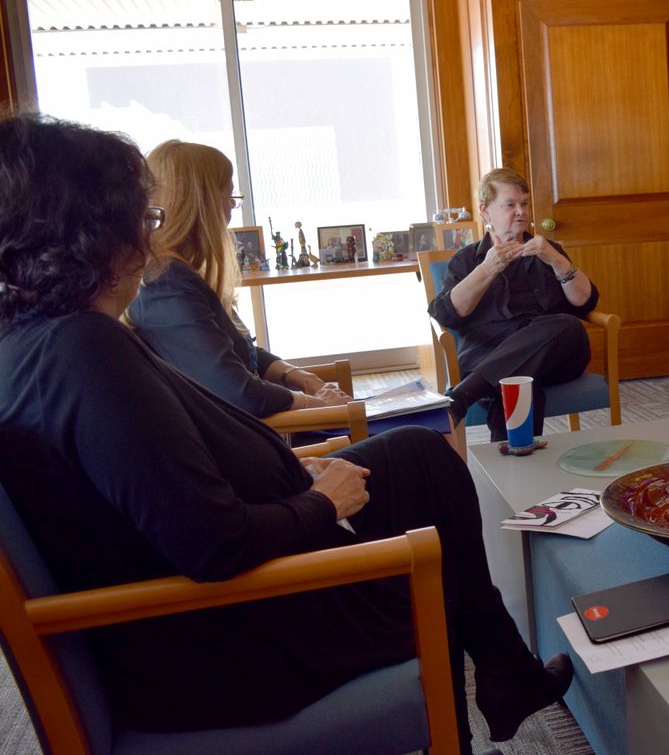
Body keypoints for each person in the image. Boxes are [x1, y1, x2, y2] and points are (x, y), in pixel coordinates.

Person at [0, 115, 571, 749]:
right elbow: (212, 545)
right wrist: (321, 501)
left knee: (419, 455)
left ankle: (505, 670)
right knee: (439, 555)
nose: (147, 235)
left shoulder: (40, 342)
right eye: (143, 218)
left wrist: (296, 475)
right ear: (96, 232)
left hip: (217, 607)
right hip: (234, 645)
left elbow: (159, 476)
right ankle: (499, 671)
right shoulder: (82, 352)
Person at [128, 140, 348, 417]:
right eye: (229, 197)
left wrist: (301, 377)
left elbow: (239, 351)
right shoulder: (165, 282)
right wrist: (318, 405)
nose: (232, 207)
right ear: (203, 204)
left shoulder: (180, 272)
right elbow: (240, 393)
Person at [429, 167, 599, 441]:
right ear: (486, 211)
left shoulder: (548, 251)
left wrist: (557, 260)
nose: (521, 211)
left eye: (524, 204)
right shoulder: (466, 261)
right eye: (510, 205)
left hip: (557, 354)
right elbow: (448, 314)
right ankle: (515, 462)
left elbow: (584, 301)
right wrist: (487, 269)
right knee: (516, 381)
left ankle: (462, 396)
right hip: (491, 356)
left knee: (567, 324)